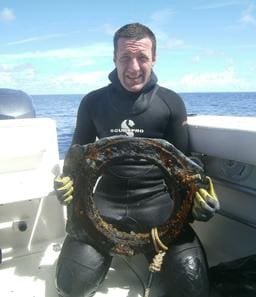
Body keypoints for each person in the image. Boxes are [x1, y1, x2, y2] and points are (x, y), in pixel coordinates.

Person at [54, 23, 220, 297]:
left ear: (154, 58)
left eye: (142, 57)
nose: (133, 67)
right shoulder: (92, 103)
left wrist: (200, 197)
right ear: (114, 59)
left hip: (160, 209)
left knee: (193, 287)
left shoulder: (170, 102)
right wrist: (64, 183)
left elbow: (185, 164)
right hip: (104, 207)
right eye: (125, 58)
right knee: (69, 286)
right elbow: (76, 158)